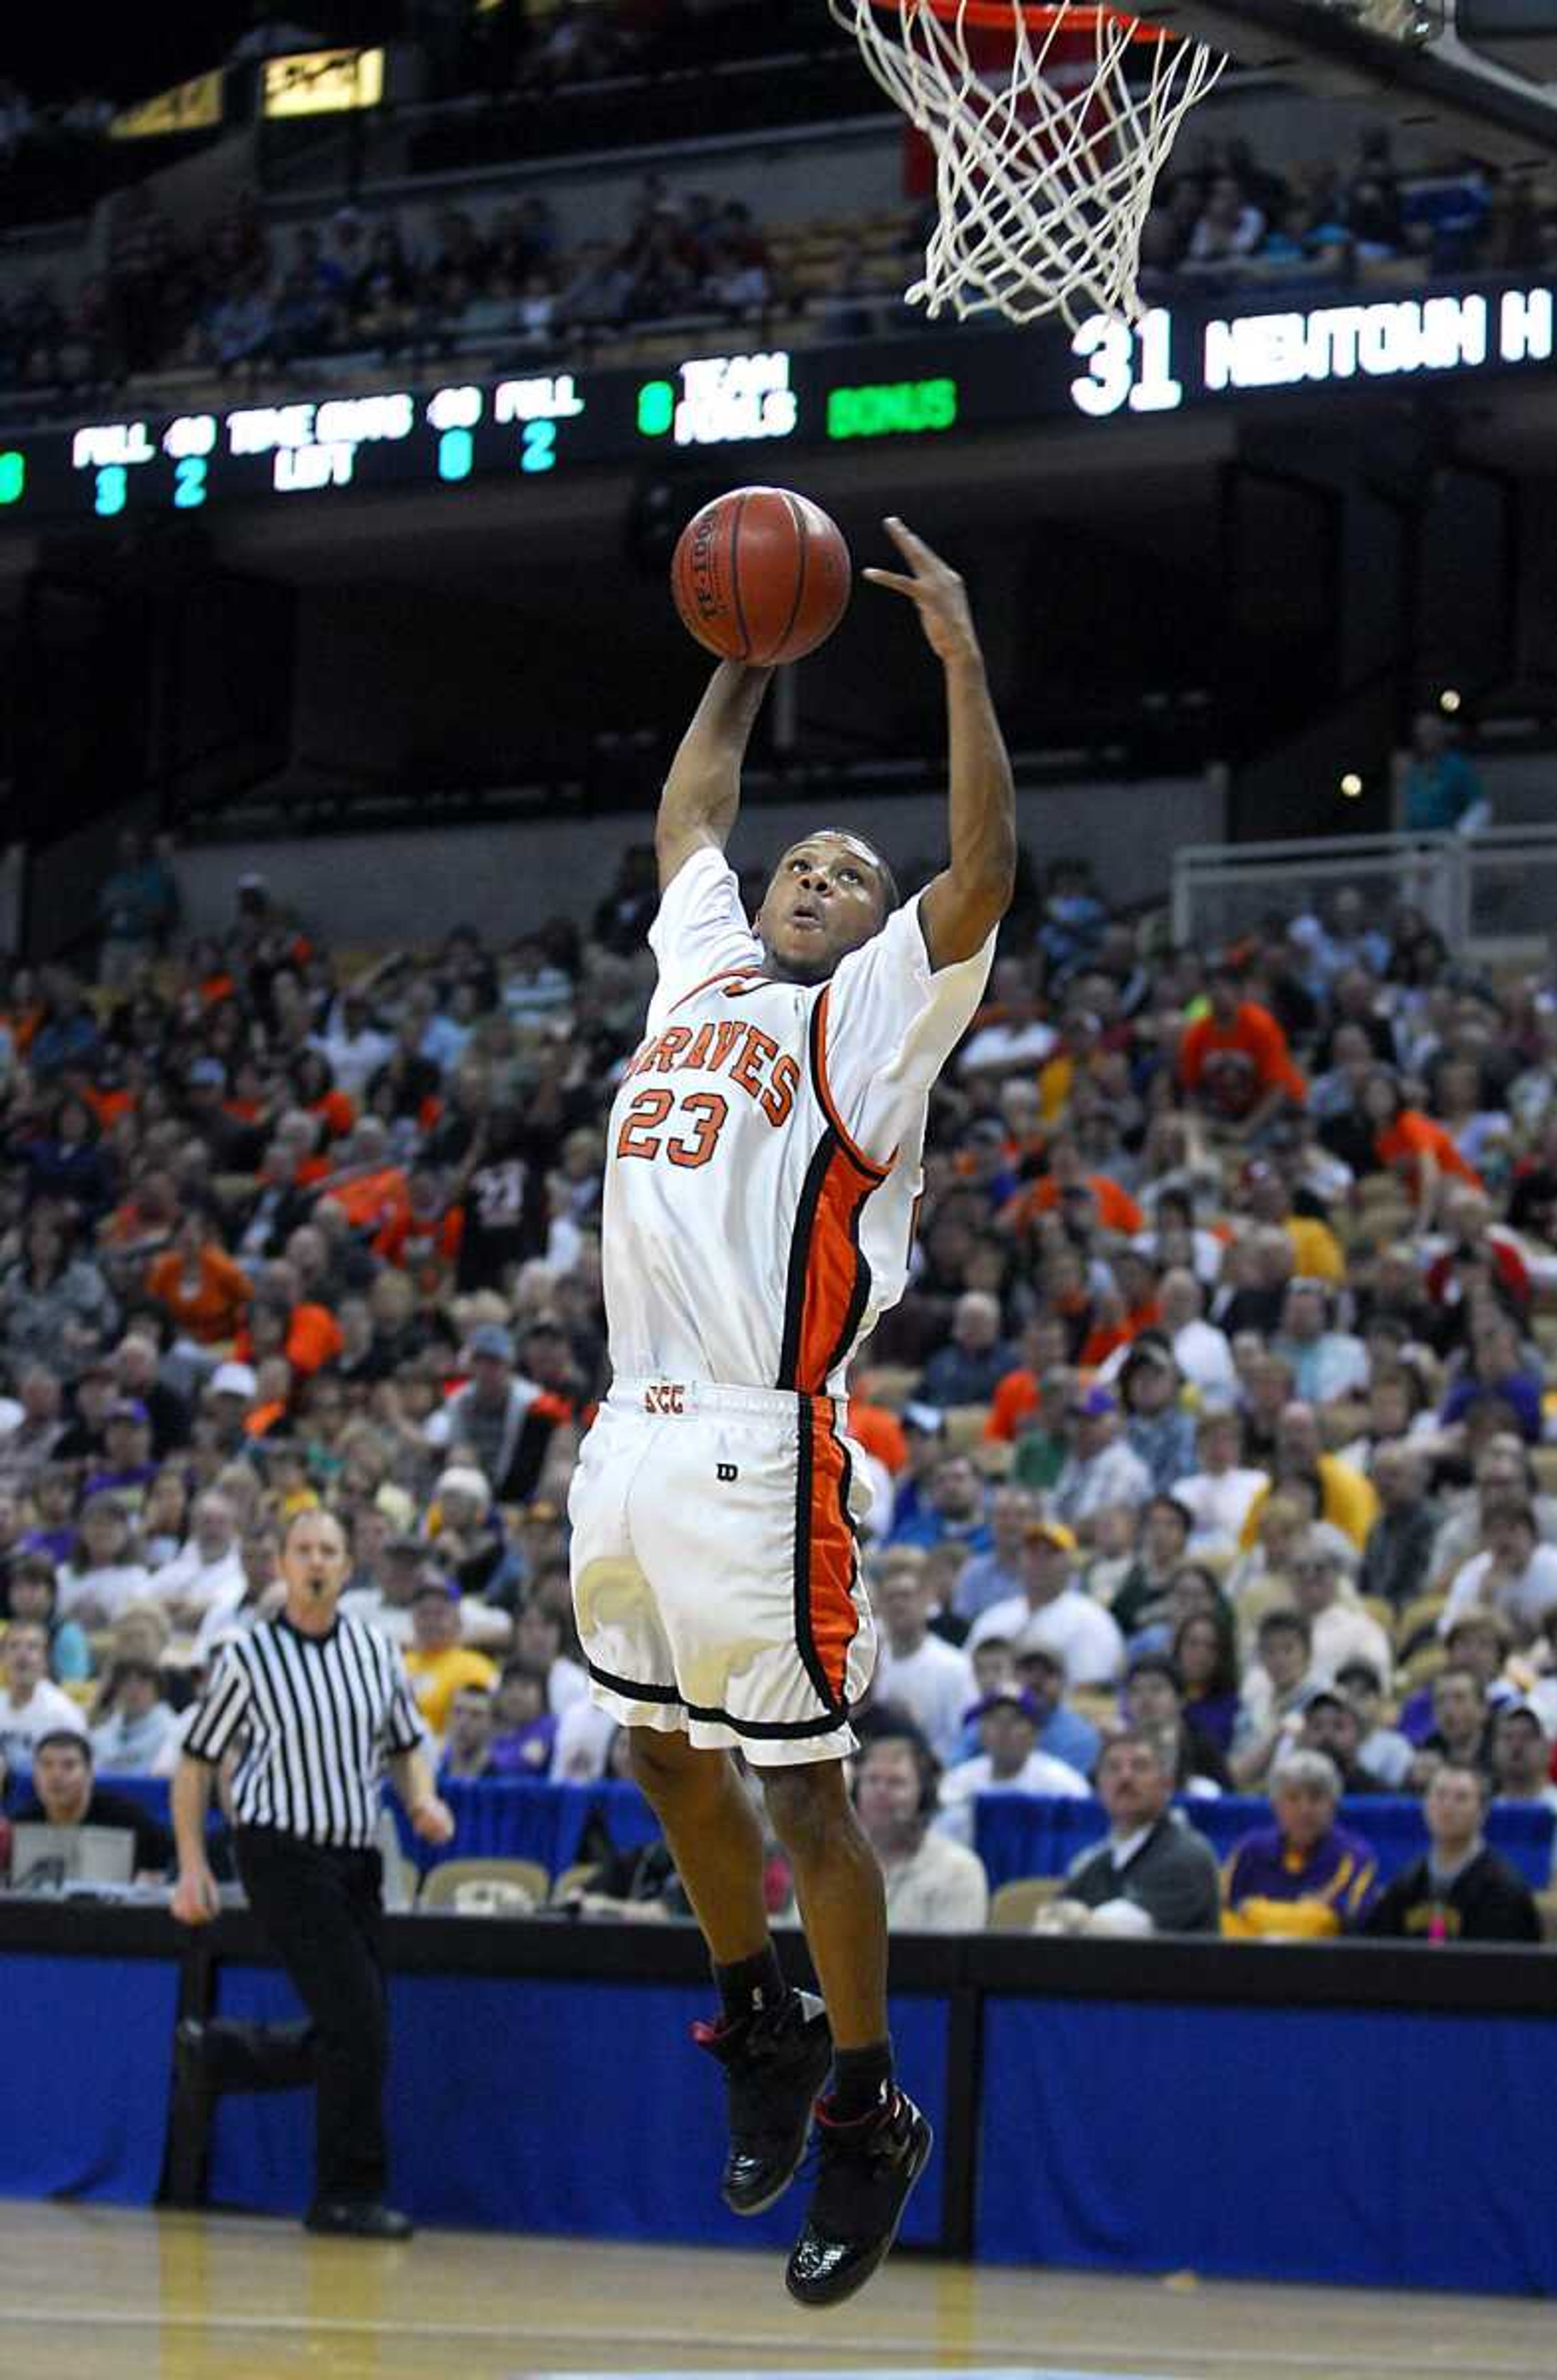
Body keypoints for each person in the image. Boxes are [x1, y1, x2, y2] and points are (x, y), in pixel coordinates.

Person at [568, 519, 1014, 2307]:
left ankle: (862, 2099)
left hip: (764, 1441)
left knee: (803, 1794)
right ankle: (752, 2008)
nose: (818, 872)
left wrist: (957, 662)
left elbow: (978, 870)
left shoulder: (874, 1025)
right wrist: (748, 644)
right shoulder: (701, 968)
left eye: (848, 868)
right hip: (628, 1433)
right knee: (655, 1751)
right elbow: (690, 817)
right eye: (805, 861)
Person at [169, 1508, 455, 2240]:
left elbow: (405, 1743)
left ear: (347, 1566)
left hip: (359, 1857)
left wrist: (422, 1798)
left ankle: (223, 2052)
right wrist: (193, 1866)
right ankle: (345, 2196)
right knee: (358, 2021)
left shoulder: (374, 1649)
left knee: (361, 2029)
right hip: (280, 1852)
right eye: (304, 1549)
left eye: (330, 1548)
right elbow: (196, 1762)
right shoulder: (247, 1656)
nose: (318, 1560)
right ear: (284, 1564)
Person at [1040, 1731, 1221, 1936]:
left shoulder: (1187, 1854)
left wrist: (1076, 1918)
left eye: (1140, 1766)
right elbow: (1048, 1922)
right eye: (1113, 1768)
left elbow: (1122, 1932)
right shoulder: (1095, 1862)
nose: (1125, 1777)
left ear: (1167, 1785)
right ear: (1099, 1786)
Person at [1365, 1762, 1540, 1943]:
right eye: (1440, 1795)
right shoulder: (1407, 1883)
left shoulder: (1503, 1889)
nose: (1447, 1807)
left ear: (1483, 1812)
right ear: (1425, 1806)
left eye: (1461, 1798)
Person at [1222, 1751, 1379, 1938]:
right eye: (1293, 1798)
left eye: (1316, 1798)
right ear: (1275, 1804)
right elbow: (1223, 1918)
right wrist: (1308, 1912)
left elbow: (1337, 1924)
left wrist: (1254, 1911)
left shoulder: (1356, 1856)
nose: (1305, 1810)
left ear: (1334, 1804)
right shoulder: (1249, 1850)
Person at [851, 1732, 989, 1932]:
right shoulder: (833, 1864)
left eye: (896, 1783)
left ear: (925, 1797)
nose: (881, 1791)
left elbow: (952, 1959)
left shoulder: (959, 1870)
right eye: (872, 1780)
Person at [11, 1725, 174, 1878]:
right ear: (34, 1775)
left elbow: (172, 1863)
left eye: (69, 1766)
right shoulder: (21, 1824)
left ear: (90, 1774)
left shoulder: (129, 1820)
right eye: (47, 1766)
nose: (56, 1776)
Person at [935, 1687, 1089, 1846]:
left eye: (1016, 1720)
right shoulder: (960, 1780)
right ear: (980, 1733)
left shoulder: (1064, 1785)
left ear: (1035, 1734)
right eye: (993, 1719)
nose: (1004, 1729)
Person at [0, 1617, 83, 1773]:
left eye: (32, 1647)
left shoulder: (63, 1714)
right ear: (2, 1658)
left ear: (46, 1660)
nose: (22, 1655)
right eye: (14, 1646)